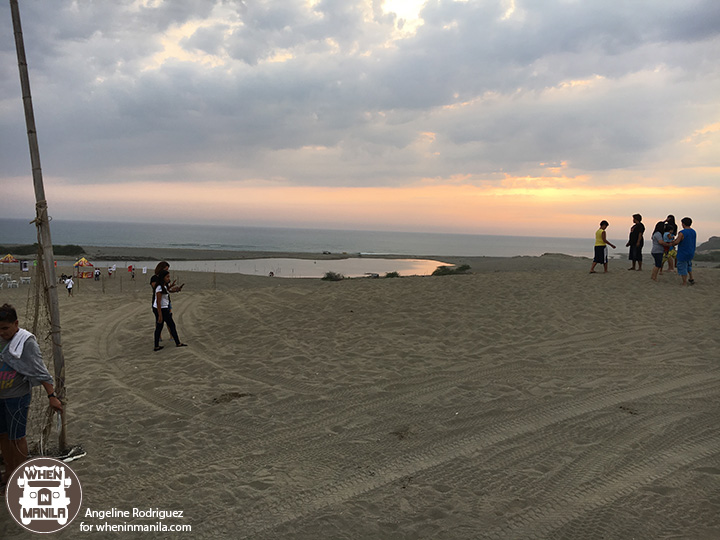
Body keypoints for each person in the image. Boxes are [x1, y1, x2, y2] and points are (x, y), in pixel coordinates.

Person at [0, 304, 63, 486]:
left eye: (5, 328)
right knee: (3, 436)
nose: (2, 333)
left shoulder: (26, 342)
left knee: (17, 437)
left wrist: (52, 396)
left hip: (17, 396)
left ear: (16, 323)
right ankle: (9, 471)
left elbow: (40, 371)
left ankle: (19, 478)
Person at [153, 270, 187, 351]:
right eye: (167, 277)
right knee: (169, 325)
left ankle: (157, 346)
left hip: (164, 308)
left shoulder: (163, 286)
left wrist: (176, 289)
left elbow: (168, 291)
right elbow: (158, 302)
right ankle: (177, 343)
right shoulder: (159, 287)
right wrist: (160, 315)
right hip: (161, 309)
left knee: (163, 327)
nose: (169, 278)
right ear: (163, 278)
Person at [672, 217, 697, 286]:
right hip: (691, 251)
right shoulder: (693, 232)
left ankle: (684, 282)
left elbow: (677, 242)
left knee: (682, 267)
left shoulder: (682, 233)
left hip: (683, 252)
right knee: (688, 265)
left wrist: (671, 243)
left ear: (683, 224)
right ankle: (691, 278)